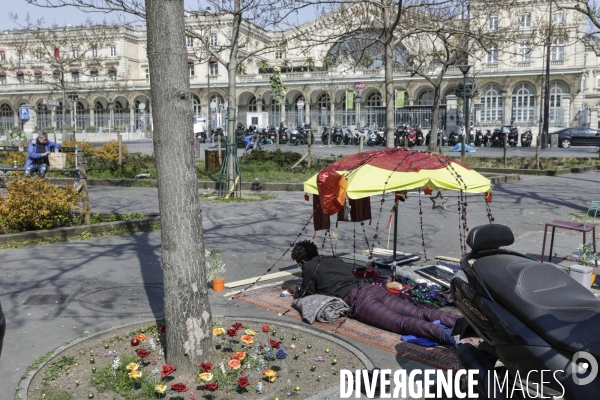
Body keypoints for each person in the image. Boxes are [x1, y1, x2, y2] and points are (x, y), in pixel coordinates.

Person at [289, 240, 461, 347]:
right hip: (371, 288)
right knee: (418, 312)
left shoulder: (309, 267)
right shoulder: (334, 258)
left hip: (360, 300)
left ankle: (444, 335)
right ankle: (462, 323)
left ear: (302, 261)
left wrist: (294, 290)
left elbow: (306, 296)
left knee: (399, 322)